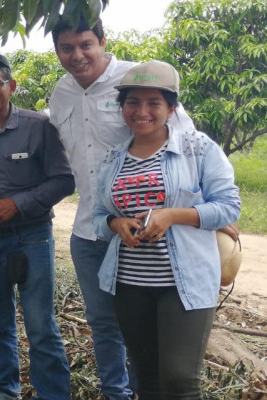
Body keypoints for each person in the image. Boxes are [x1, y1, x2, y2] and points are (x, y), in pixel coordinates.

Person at [48, 17, 200, 400]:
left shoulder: (136, 84)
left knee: (142, 327)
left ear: (102, 41)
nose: (77, 55)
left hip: (145, 233)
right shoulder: (61, 93)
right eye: (67, 48)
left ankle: (148, 391)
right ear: (57, 51)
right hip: (91, 229)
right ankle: (115, 393)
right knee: (102, 323)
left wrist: (208, 212)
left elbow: (189, 145)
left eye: (85, 44)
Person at [93, 60, 240, 399]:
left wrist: (173, 215)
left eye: (154, 103)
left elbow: (229, 207)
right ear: (122, 107)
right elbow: (99, 217)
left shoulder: (197, 149)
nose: (142, 111)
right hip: (130, 284)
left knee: (179, 379)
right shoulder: (113, 159)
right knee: (147, 378)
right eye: (133, 102)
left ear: (171, 108)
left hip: (184, 283)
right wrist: (115, 223)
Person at [0, 54, 74, 400]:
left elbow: (64, 181)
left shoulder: (38, 127)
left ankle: (53, 394)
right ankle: (4, 392)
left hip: (31, 238)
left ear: (11, 86)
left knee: (40, 326)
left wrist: (17, 204)